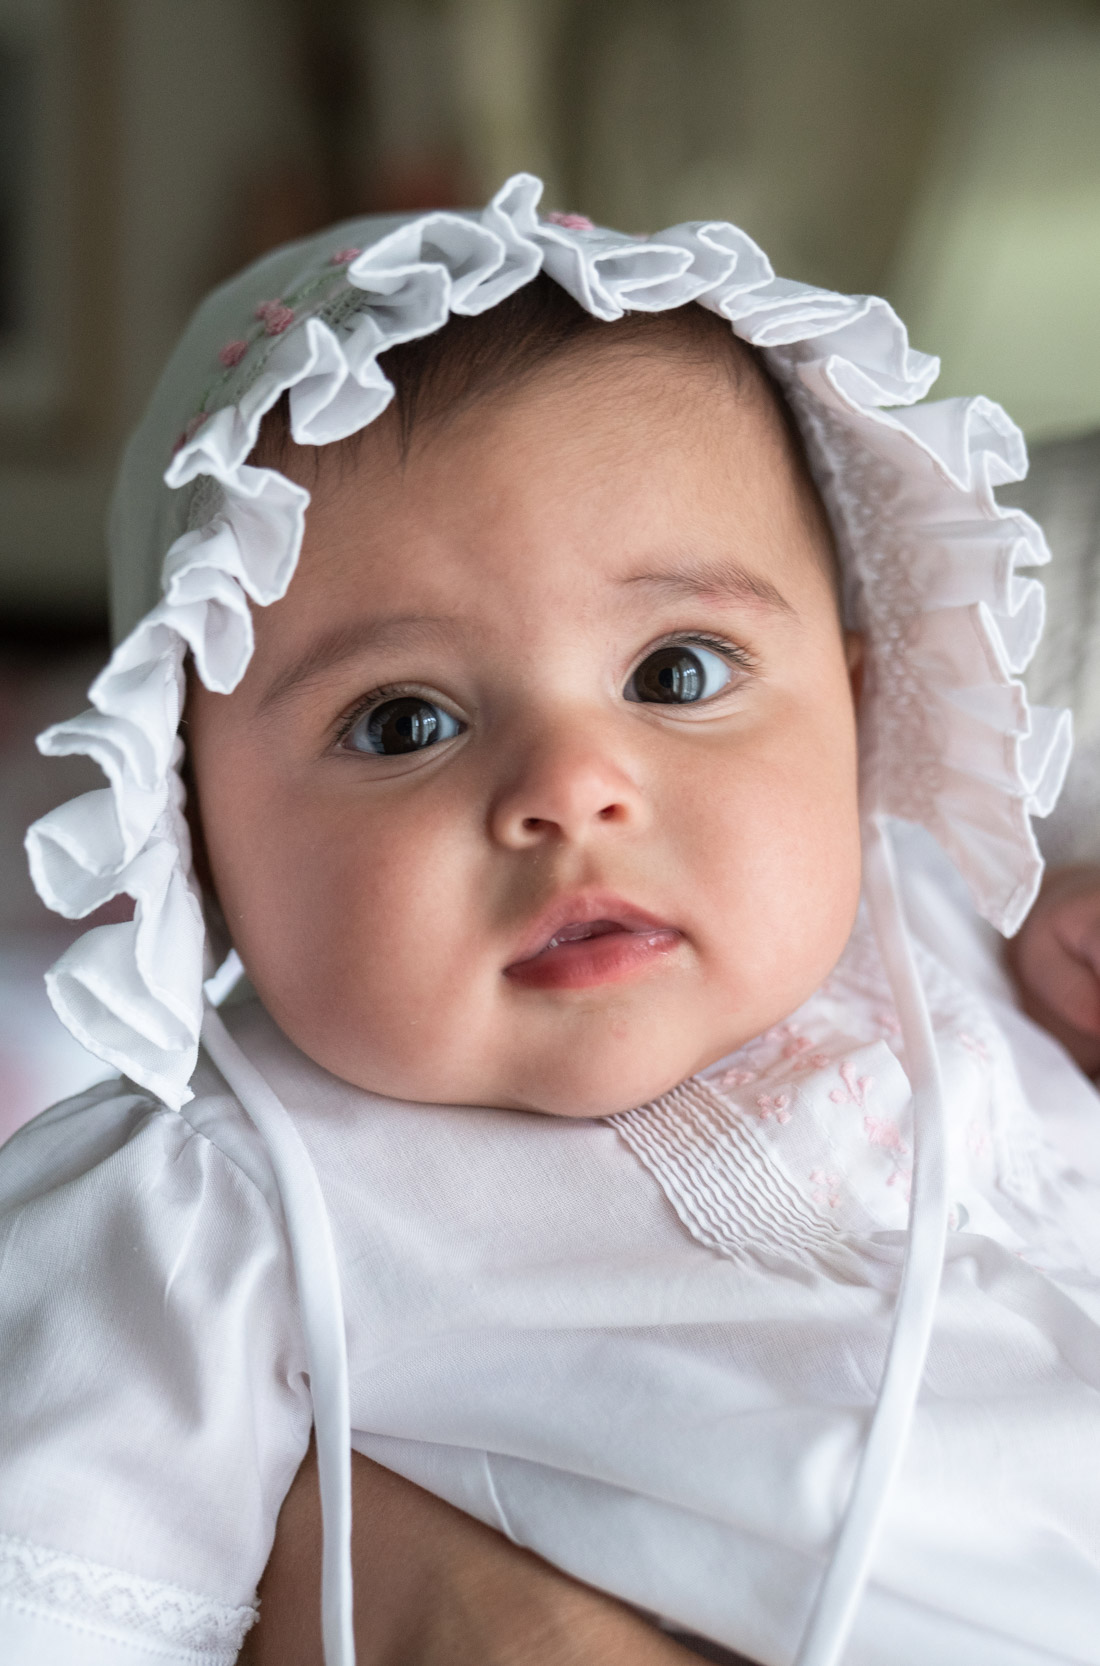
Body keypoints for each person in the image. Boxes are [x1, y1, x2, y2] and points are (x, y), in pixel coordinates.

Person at [2, 175, 1099, 1666]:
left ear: (856, 700)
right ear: (189, 823)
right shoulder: (208, 1208)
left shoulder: (949, 920)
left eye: (679, 673)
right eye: (403, 721)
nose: (572, 788)